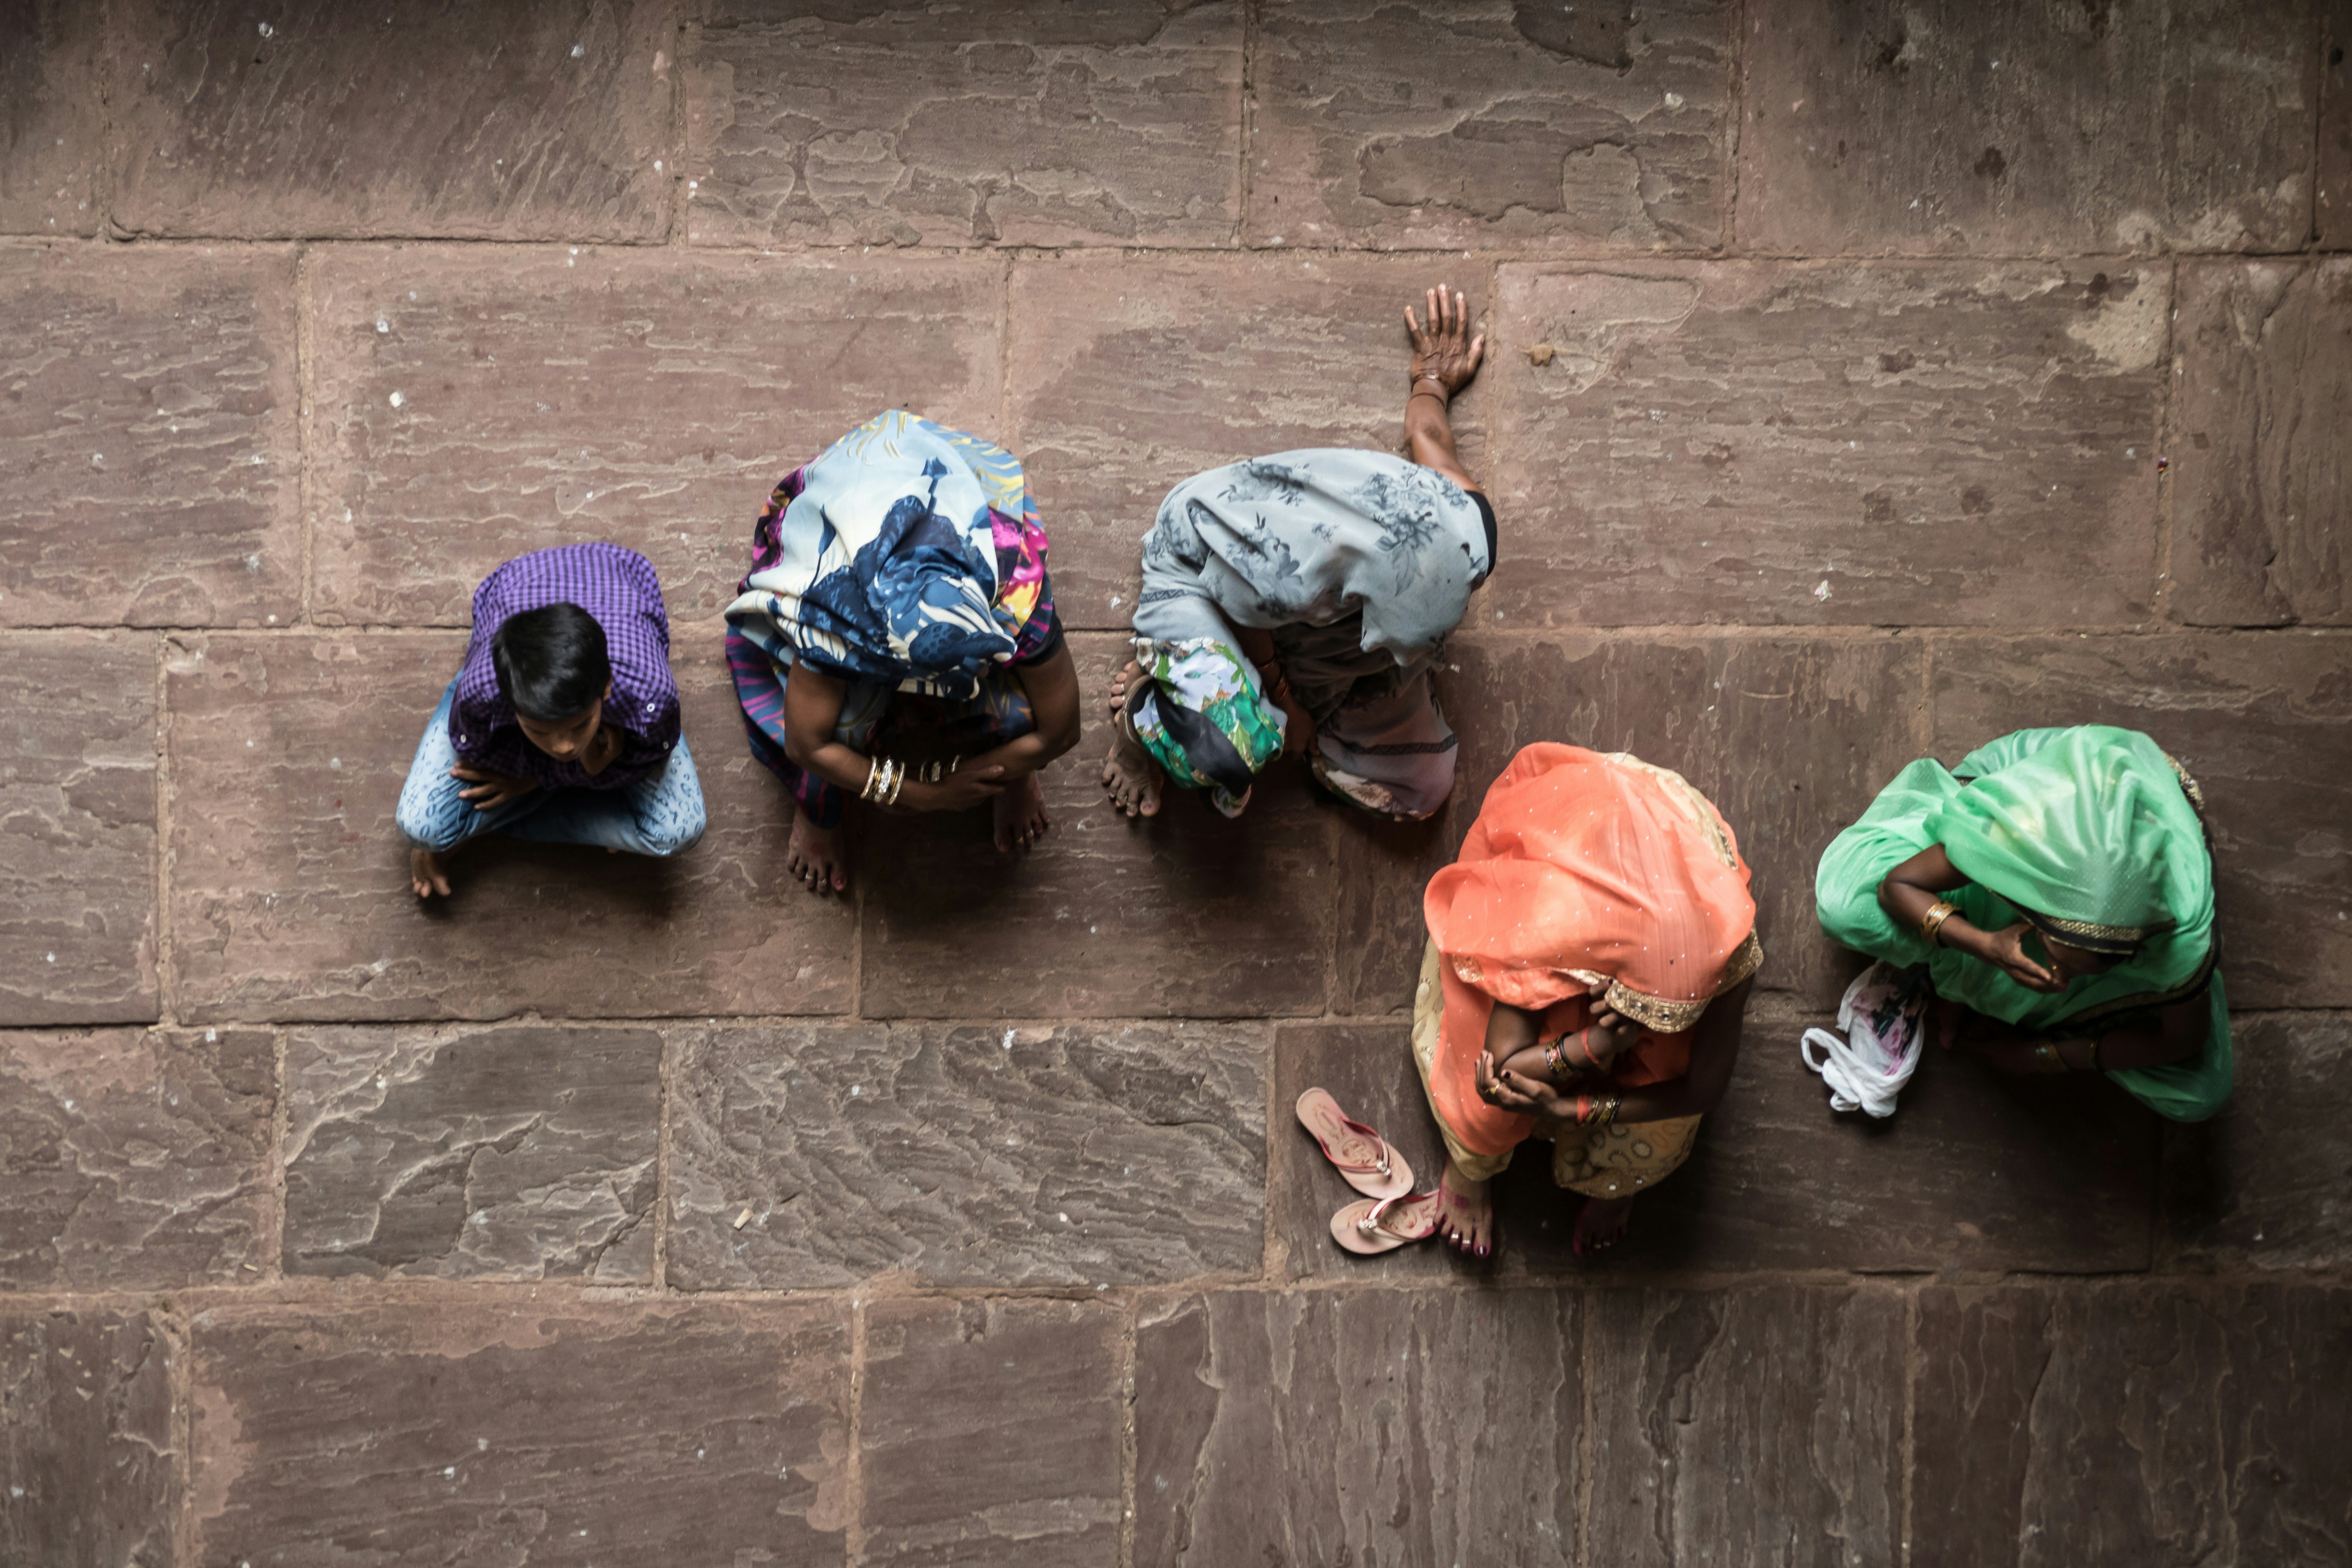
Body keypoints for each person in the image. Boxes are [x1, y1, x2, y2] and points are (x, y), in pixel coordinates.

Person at [1100, 285, 1497, 823]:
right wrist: (1287, 704)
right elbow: (1248, 613)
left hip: (1333, 605)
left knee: (1422, 789)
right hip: (1209, 578)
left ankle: (1272, 696)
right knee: (1230, 750)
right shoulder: (1281, 577)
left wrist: (1430, 382)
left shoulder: (1465, 523)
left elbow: (1429, 436)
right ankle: (1144, 713)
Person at [1405, 744, 1761, 1260]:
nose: (1654, 1026)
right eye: (1644, 1010)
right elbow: (1503, 1068)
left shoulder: (1728, 953)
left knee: (1663, 1108)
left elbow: (1701, 1090)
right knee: (1482, 1090)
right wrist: (1590, 1045)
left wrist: (1576, 1108)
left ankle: (1610, 1180)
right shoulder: (1555, 920)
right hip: (1570, 926)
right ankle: (1474, 1163)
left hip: (1655, 923)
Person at [724, 410, 1080, 894]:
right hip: (856, 516)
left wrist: (990, 774)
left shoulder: (1015, 589)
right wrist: (925, 794)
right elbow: (807, 744)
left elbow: (1060, 730)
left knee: (1021, 713)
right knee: (837, 725)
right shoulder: (834, 603)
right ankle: (819, 811)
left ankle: (1014, 780)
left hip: (948, 487)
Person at [1815, 724, 2231, 1121]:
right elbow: (1896, 886)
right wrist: (1982, 945)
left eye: (2082, 971)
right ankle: (1954, 965)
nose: (2060, 981)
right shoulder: (2021, 837)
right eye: (2055, 957)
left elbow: (2181, 1041)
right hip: (2032, 840)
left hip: (2106, 905)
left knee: (2201, 1092)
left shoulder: (2179, 933)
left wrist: (2043, 1057)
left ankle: (1957, 970)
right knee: (1844, 902)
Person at [400, 542, 705, 898]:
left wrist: (531, 781)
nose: (563, 745)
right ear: (511, 705)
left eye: (579, 725)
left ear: (606, 689)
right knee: (420, 827)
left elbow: (653, 752)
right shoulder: (484, 693)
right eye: (538, 730)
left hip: (620, 585)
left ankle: (489, 826)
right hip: (513, 593)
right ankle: (593, 804)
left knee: (679, 829)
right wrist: (592, 772)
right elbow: (478, 751)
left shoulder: (650, 698)